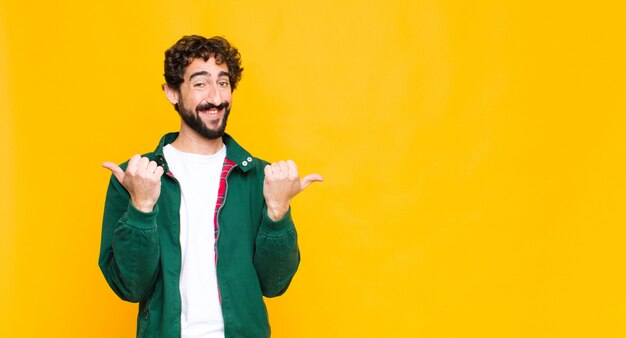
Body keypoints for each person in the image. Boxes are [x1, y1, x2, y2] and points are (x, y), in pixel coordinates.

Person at [98, 35, 322, 338]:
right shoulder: (135, 177)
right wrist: (141, 208)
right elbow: (130, 286)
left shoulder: (261, 177)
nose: (216, 97)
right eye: (200, 83)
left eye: (223, 83)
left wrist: (278, 212)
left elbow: (274, 284)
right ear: (172, 92)